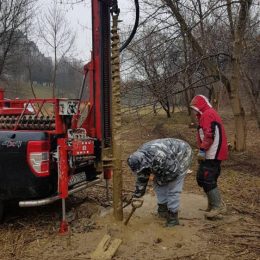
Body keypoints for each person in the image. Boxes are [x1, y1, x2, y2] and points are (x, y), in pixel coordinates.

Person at [127, 138, 193, 227]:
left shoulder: (158, 156)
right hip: (167, 157)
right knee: (158, 183)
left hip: (182, 154)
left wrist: (160, 180)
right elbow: (142, 176)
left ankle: (173, 217)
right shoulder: (139, 158)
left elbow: (173, 173)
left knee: (173, 188)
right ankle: (163, 209)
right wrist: (138, 196)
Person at [190, 95, 228, 219]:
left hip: (213, 153)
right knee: (202, 178)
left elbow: (209, 135)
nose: (194, 110)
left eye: (195, 107)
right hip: (209, 152)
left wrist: (202, 150)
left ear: (201, 105)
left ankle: (218, 207)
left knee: (207, 178)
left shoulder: (207, 114)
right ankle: (212, 205)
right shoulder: (205, 115)